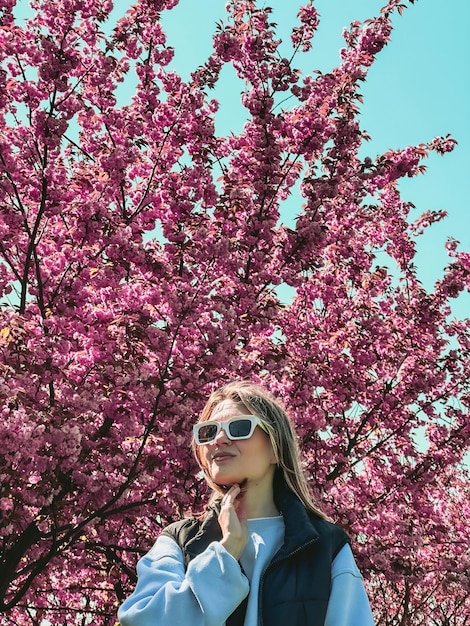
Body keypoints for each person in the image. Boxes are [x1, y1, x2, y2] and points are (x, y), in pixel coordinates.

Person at [118, 380, 375, 626]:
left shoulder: (324, 547)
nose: (219, 440)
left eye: (239, 428)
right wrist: (226, 553)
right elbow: (146, 620)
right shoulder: (179, 540)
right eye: (208, 432)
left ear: (276, 448)